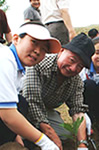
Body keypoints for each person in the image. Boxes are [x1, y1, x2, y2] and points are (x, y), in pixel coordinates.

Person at [22, 33, 94, 150]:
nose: (73, 68)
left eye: (80, 66)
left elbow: (78, 110)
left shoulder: (76, 81)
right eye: (72, 60)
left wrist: (82, 144)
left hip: (45, 110)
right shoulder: (39, 65)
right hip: (22, 106)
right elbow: (32, 101)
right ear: (61, 51)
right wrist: (51, 138)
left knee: (65, 135)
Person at [0, 21, 61, 149]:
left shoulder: (20, 69)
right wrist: (44, 142)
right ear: (16, 39)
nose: (38, 51)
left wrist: (15, 137)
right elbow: (7, 115)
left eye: (44, 49)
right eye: (34, 42)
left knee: (21, 103)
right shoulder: (4, 60)